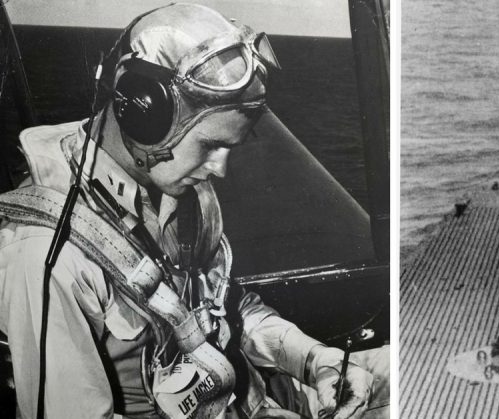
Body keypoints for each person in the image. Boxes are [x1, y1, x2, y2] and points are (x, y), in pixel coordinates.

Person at [0, 4, 387, 419]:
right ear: (145, 114)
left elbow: (226, 308)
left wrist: (316, 361)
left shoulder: (180, 186)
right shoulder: (45, 255)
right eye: (209, 145)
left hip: (254, 398)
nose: (219, 169)